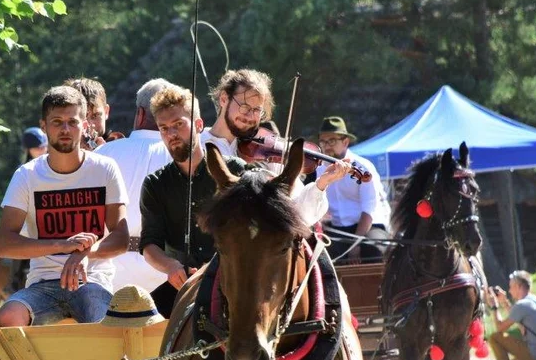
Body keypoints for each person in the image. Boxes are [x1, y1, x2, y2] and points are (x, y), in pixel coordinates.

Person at [140, 86, 349, 316]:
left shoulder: (237, 171)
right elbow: (150, 244)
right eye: (164, 128)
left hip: (232, 282)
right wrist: (171, 267)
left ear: (199, 125)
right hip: (182, 286)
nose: (171, 134)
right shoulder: (155, 184)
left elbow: (286, 213)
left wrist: (321, 185)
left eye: (178, 124)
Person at [0, 85, 129, 327]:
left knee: (98, 319)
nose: (65, 129)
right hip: (42, 284)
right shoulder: (27, 175)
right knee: (7, 315)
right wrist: (62, 245)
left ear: (85, 125)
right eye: (57, 122)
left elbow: (120, 238)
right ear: (44, 126)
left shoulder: (105, 168)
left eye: (72, 122)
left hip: (92, 281)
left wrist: (84, 254)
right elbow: (4, 244)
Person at [199, 68, 332, 225]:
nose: (250, 116)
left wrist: (321, 185)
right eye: (244, 106)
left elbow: (300, 215)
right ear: (223, 99)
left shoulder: (265, 153)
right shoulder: (198, 148)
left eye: (257, 110)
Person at [94, 79, 174, 292]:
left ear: (139, 114)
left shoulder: (103, 154)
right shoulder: (184, 159)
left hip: (108, 270)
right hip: (166, 273)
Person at [316, 116, 390, 264]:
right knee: (320, 255)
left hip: (368, 227)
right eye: (323, 142)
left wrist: (355, 244)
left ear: (345, 142)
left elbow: (369, 209)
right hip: (338, 228)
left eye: (332, 141)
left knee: (373, 249)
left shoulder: (363, 167)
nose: (327, 146)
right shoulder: (319, 169)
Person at [67, 77, 123, 146]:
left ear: (106, 112)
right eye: (82, 118)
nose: (90, 124)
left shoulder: (120, 148)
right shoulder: (55, 151)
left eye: (95, 116)